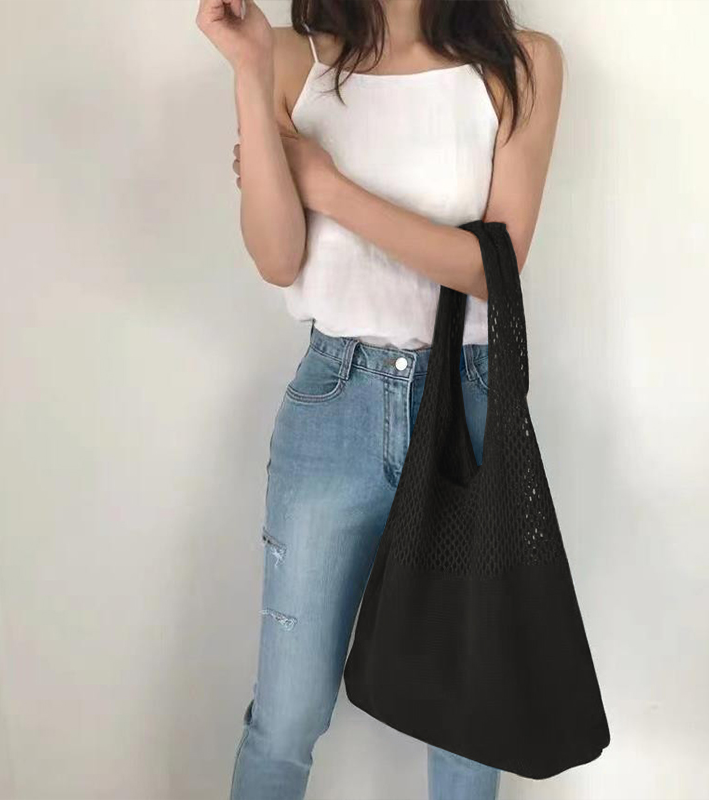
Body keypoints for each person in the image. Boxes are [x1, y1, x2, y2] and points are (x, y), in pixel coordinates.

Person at [197, 1, 564, 797]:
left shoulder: (521, 64)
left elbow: (492, 267)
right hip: (336, 402)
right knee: (286, 718)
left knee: (471, 718)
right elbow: (278, 257)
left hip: (466, 409)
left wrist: (328, 186)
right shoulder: (292, 60)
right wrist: (249, 69)